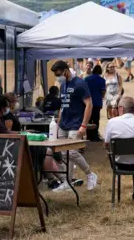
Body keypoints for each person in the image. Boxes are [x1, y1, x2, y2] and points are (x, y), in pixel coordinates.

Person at [50, 60, 98, 192]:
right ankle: (68, 181)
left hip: (75, 124)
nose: (57, 77)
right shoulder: (63, 85)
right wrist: (58, 122)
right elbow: (62, 105)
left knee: (71, 152)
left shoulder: (80, 84)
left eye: (58, 74)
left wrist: (83, 125)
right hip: (63, 125)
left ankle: (90, 174)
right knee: (64, 154)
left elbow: (89, 104)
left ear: (65, 71)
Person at [85, 65, 106, 141]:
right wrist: (102, 96)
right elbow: (103, 91)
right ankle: (95, 136)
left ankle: (88, 135)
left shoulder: (87, 79)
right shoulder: (102, 80)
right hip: (97, 102)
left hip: (87, 102)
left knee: (88, 119)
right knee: (96, 119)